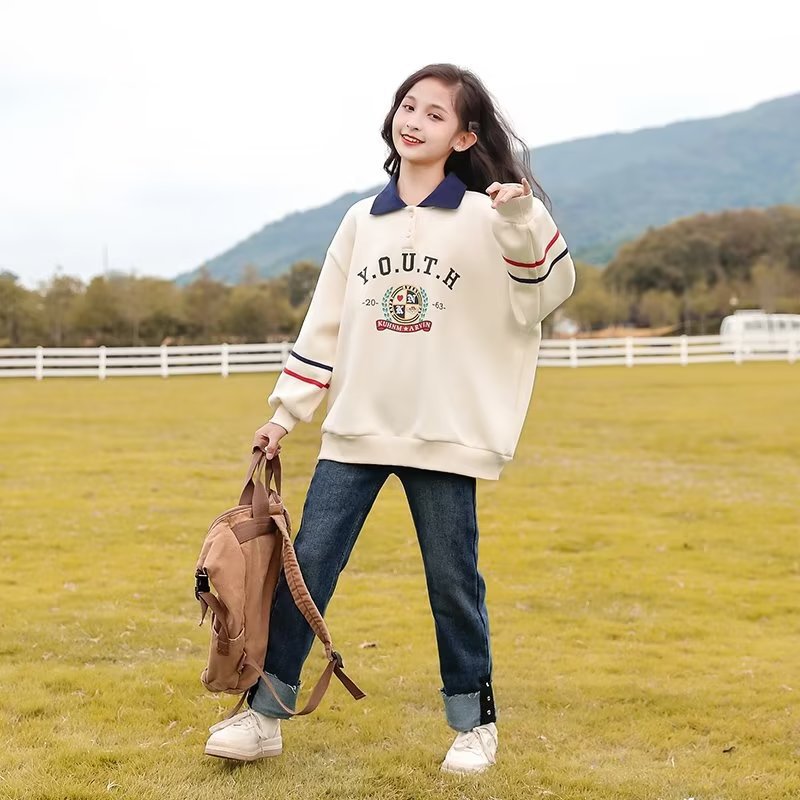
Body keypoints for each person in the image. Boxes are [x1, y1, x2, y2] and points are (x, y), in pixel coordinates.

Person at [204, 62, 576, 775]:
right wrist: (285, 414)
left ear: (464, 137)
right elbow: (325, 323)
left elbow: (545, 292)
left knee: (452, 582)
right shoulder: (359, 220)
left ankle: (474, 725)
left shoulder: (490, 216)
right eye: (409, 106)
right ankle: (263, 714)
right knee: (308, 569)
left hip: (445, 433)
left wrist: (522, 218)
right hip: (357, 429)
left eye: (436, 114)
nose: (415, 121)